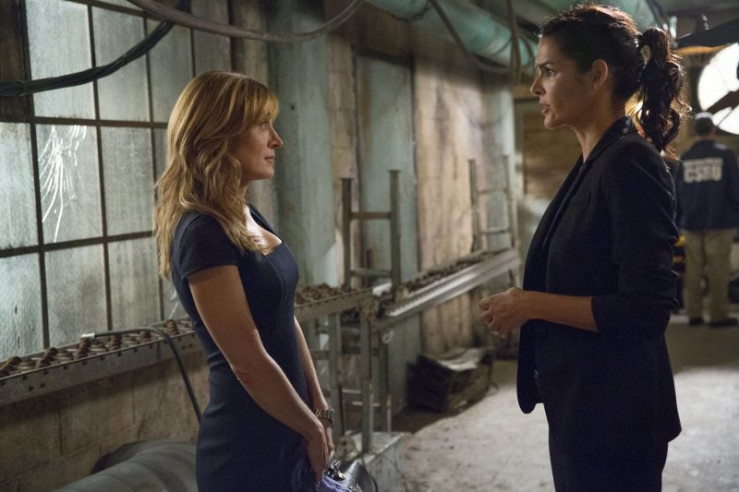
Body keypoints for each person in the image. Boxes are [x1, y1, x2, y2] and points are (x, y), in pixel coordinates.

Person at [479, 5, 687, 491]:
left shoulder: (628, 162)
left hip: (616, 419)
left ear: (596, 75)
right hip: (586, 408)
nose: (536, 88)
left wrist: (529, 304)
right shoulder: (597, 160)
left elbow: (646, 308)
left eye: (549, 71)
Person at [153, 71, 332, 491]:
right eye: (262, 125)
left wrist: (318, 408)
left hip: (290, 425)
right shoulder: (202, 232)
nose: (277, 140)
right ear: (220, 134)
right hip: (247, 449)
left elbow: (284, 317)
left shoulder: (247, 215)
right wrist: (310, 429)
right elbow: (248, 363)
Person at [675, 112, 739, 328]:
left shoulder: (686, 157)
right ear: (713, 129)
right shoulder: (724, 155)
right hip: (719, 220)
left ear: (695, 131)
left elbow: (677, 192)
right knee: (718, 269)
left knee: (693, 270)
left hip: (691, 221)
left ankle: (693, 313)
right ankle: (718, 315)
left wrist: (679, 219)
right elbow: (734, 188)